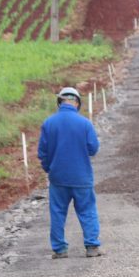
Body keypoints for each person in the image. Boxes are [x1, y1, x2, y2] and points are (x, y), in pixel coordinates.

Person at [38, 87, 102, 258]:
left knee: (58, 213)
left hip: (58, 177)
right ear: (77, 102)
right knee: (87, 210)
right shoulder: (85, 123)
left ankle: (59, 250)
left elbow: (42, 153)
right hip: (82, 177)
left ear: (60, 102)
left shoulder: (49, 123)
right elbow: (93, 148)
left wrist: (49, 168)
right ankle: (92, 247)